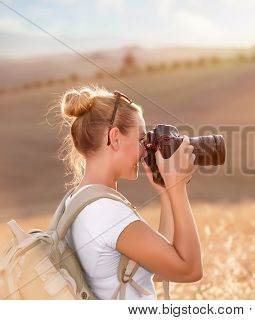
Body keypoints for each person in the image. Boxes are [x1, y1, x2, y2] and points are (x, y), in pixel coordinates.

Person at [57, 85, 202, 299]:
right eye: (141, 139)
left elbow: (160, 266)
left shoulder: (78, 201)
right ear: (115, 138)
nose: (145, 150)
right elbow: (190, 270)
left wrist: (166, 192)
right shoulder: (106, 211)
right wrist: (178, 188)